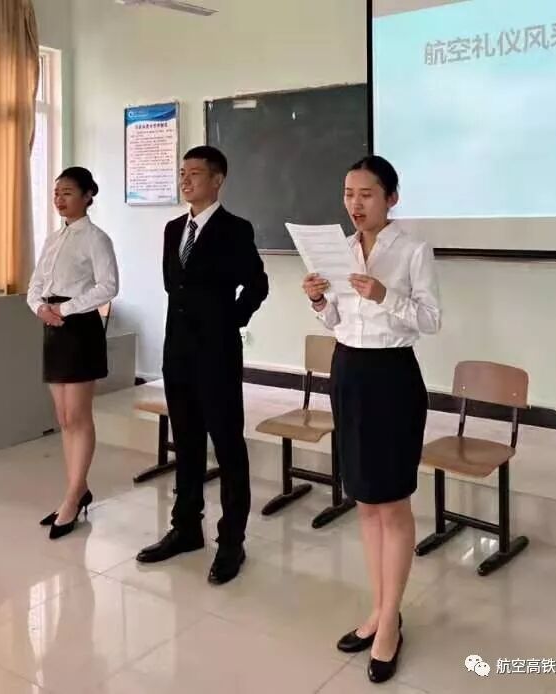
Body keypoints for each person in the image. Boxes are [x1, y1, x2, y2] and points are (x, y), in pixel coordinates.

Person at [302, 155, 441, 684]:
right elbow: (337, 319)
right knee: (363, 500)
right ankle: (382, 611)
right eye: (348, 194)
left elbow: (431, 319)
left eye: (366, 194)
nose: (355, 204)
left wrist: (386, 294)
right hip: (348, 372)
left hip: (392, 376)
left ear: (391, 198)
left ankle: (390, 623)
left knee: (392, 501)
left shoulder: (412, 250)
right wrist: (320, 302)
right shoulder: (338, 251)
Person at [137, 146, 269, 585]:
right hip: (177, 353)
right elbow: (172, 285)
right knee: (188, 442)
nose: (186, 180)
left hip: (217, 353)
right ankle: (186, 527)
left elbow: (257, 283)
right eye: (182, 172)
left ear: (217, 180)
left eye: (195, 173)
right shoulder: (174, 229)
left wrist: (231, 320)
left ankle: (232, 539)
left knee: (227, 445)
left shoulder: (235, 229)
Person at [27, 166, 119, 540]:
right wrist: (39, 308)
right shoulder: (54, 239)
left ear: (87, 196)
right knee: (64, 417)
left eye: (67, 192)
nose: (59, 199)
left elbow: (109, 286)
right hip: (53, 326)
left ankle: (73, 496)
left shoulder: (96, 238)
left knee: (78, 416)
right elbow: (36, 283)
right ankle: (76, 490)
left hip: (79, 328)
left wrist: (64, 309)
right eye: (56, 193)